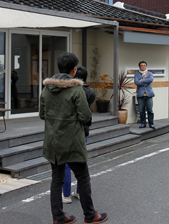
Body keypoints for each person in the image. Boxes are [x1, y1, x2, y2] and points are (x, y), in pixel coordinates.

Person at [40, 52, 108, 224]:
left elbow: (42, 115)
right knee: (83, 177)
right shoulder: (76, 89)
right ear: (74, 70)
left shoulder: (46, 89)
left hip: (53, 142)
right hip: (72, 141)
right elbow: (85, 117)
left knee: (57, 179)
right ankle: (90, 215)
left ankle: (58, 217)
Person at [62, 65, 95, 204]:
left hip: (69, 130)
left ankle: (66, 195)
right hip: (83, 131)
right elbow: (87, 115)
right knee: (81, 162)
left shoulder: (69, 91)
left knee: (67, 165)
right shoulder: (90, 92)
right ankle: (80, 192)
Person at [134, 61, 155, 129]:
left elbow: (151, 80)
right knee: (141, 110)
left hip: (149, 95)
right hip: (141, 95)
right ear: (139, 67)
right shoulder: (137, 74)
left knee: (150, 110)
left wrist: (142, 81)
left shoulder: (150, 73)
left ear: (146, 66)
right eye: (141, 65)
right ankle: (143, 123)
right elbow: (137, 82)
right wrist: (146, 81)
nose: (143, 66)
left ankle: (151, 123)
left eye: (144, 65)